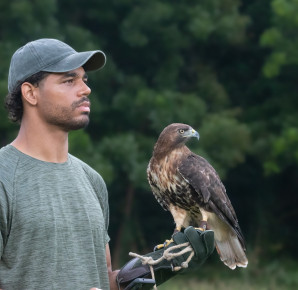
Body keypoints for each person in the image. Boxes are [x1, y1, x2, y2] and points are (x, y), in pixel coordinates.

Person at [0, 38, 215, 290]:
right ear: (30, 93)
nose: (85, 89)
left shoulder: (91, 180)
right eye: (69, 81)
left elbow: (102, 280)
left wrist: (159, 266)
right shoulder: (4, 177)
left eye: (84, 80)